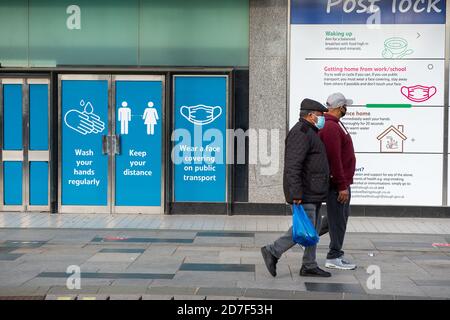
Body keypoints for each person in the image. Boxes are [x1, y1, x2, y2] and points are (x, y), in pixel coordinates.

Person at [261, 98, 331, 278]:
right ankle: (273, 250)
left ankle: (309, 265)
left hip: (313, 191)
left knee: (312, 231)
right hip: (304, 192)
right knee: (303, 229)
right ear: (310, 115)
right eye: (320, 115)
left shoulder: (310, 132)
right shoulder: (301, 132)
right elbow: (293, 165)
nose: (322, 118)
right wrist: (296, 193)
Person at [319, 92, 357, 270]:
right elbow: (334, 159)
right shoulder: (331, 127)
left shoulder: (334, 124)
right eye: (345, 106)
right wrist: (342, 186)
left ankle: (305, 236)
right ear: (340, 107)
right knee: (339, 220)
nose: (346, 108)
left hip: (341, 183)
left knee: (336, 218)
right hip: (337, 185)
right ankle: (334, 256)